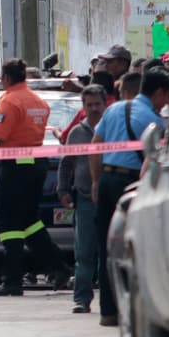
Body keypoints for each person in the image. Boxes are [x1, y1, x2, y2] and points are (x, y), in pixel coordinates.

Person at [90, 68, 169, 326]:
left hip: (105, 179)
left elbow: (95, 144)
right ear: (158, 92)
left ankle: (108, 311)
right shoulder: (154, 121)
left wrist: (96, 181)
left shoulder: (113, 109)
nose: (166, 103)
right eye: (166, 96)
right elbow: (151, 160)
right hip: (130, 183)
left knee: (106, 246)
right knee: (132, 246)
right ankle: (130, 308)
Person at [0, 58, 66, 298]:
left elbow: (0, 136)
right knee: (30, 221)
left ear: (6, 78)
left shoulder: (10, 100)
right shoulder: (38, 100)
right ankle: (59, 266)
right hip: (37, 165)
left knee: (9, 223)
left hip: (14, 166)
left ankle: (12, 280)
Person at [58, 85, 108, 314]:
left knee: (109, 251)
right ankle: (82, 299)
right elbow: (66, 163)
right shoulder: (76, 133)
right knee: (84, 252)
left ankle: (113, 299)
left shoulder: (114, 128)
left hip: (110, 197)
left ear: (105, 103)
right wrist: (63, 189)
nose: (94, 109)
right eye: (89, 105)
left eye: (98, 104)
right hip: (85, 199)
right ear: (83, 107)